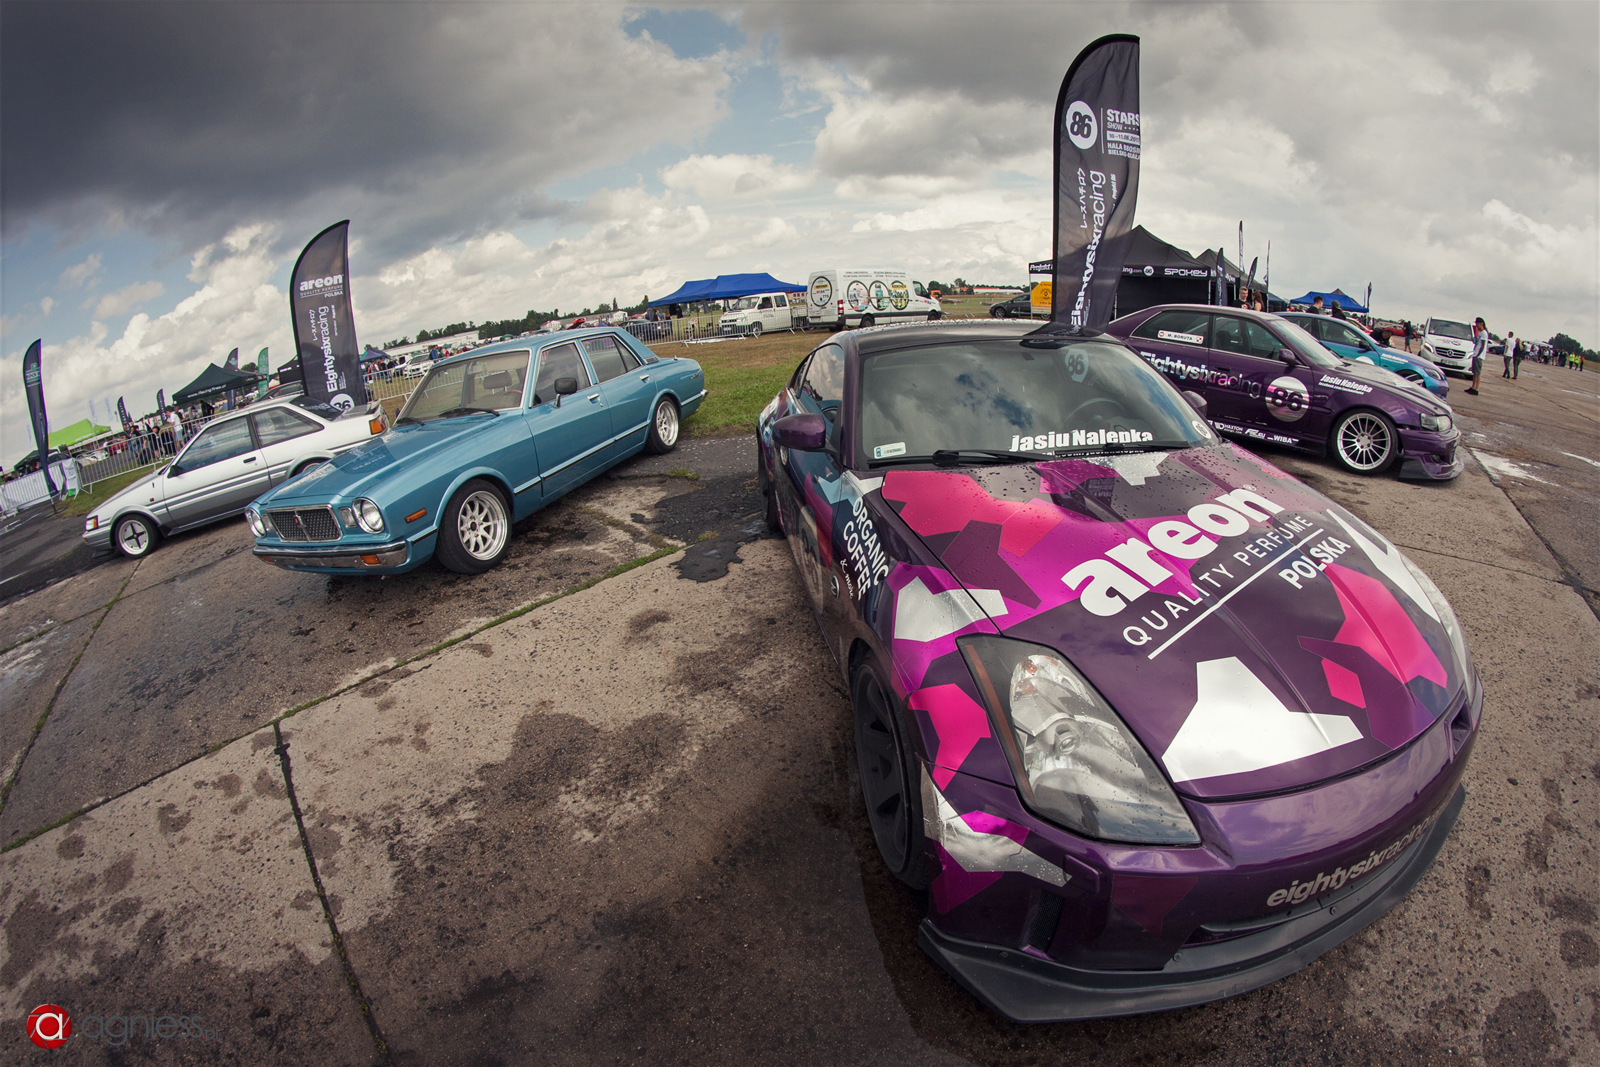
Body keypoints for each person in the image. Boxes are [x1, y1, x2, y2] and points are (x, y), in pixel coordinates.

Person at [1467, 317, 1489, 395]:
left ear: (1481, 324)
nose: (1476, 326)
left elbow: (1483, 345)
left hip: (1478, 355)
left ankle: (1476, 388)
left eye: (1477, 324)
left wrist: (1478, 354)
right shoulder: (1480, 333)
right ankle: (1473, 386)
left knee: (1478, 372)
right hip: (1476, 353)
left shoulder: (1484, 333)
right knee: (1475, 372)